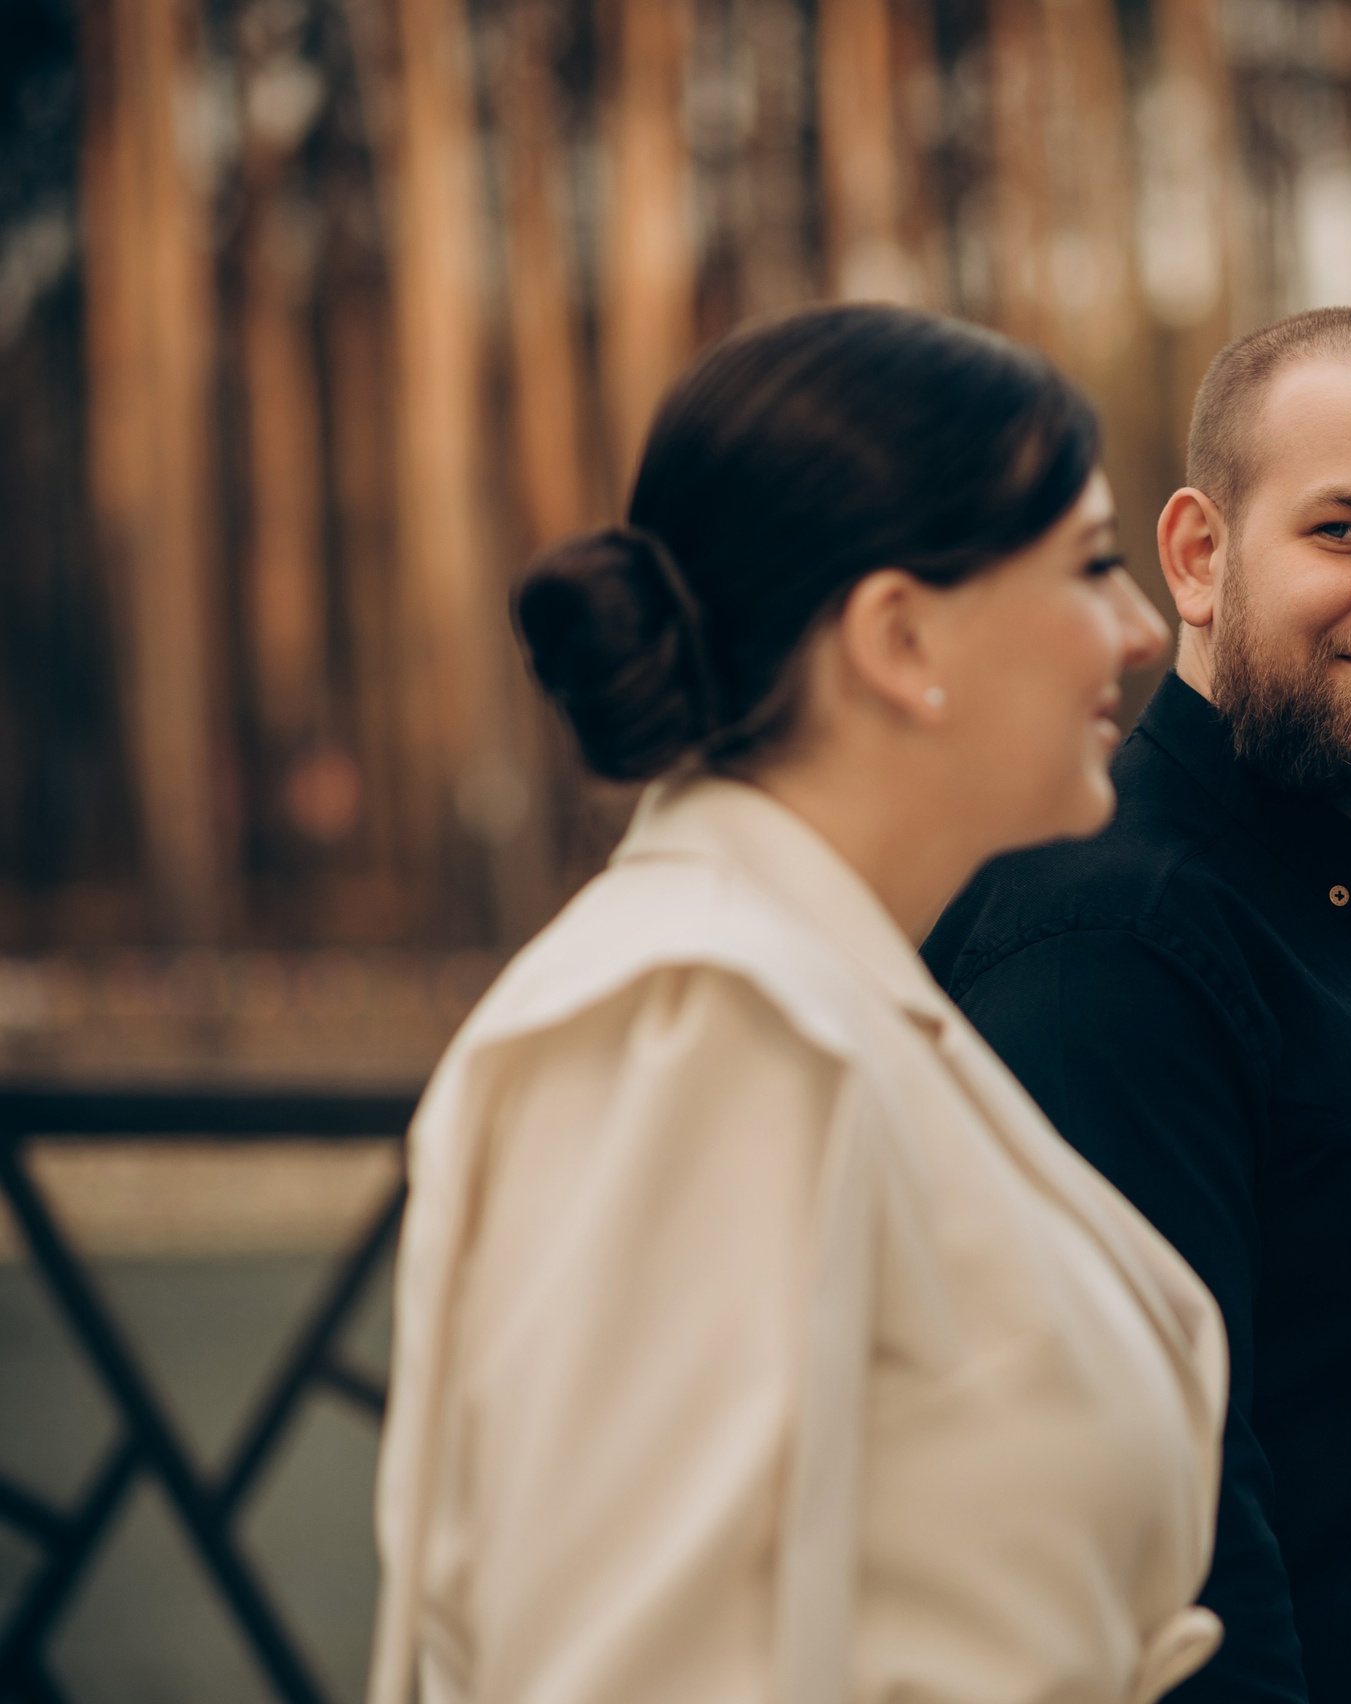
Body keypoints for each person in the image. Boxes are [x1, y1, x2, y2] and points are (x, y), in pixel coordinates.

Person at [367, 305, 1229, 1704]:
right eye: (1088, 564)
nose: (1139, 630)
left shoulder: (824, 991)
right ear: (899, 637)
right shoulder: (706, 1023)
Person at [923, 306, 1351, 1704]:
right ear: (1199, 559)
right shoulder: (1110, 945)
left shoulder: (1332, 905)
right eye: (1346, 531)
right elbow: (1151, 1555)